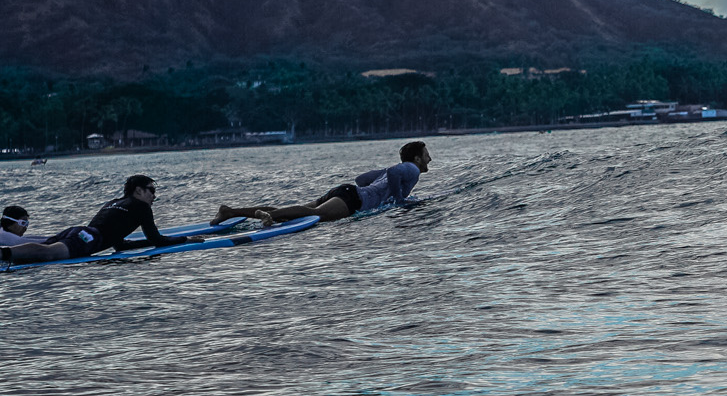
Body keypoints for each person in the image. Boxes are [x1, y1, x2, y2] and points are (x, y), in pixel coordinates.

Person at [214, 142, 431, 227]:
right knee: (314, 214)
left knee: (298, 211)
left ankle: (230, 211)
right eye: (427, 154)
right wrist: (399, 199)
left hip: (348, 191)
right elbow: (394, 172)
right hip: (353, 199)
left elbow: (361, 180)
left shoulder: (393, 171)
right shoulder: (411, 169)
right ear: (417, 158)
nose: (430, 159)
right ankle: (265, 215)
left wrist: (381, 191)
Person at [1, 175, 190, 264]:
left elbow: (120, 246)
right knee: (48, 253)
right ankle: (3, 254)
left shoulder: (114, 202)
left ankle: (6, 255)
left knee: (40, 252)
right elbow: (156, 240)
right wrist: (184, 240)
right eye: (152, 190)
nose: (154, 196)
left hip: (80, 232)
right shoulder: (141, 206)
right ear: (139, 190)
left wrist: (141, 243)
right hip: (89, 239)